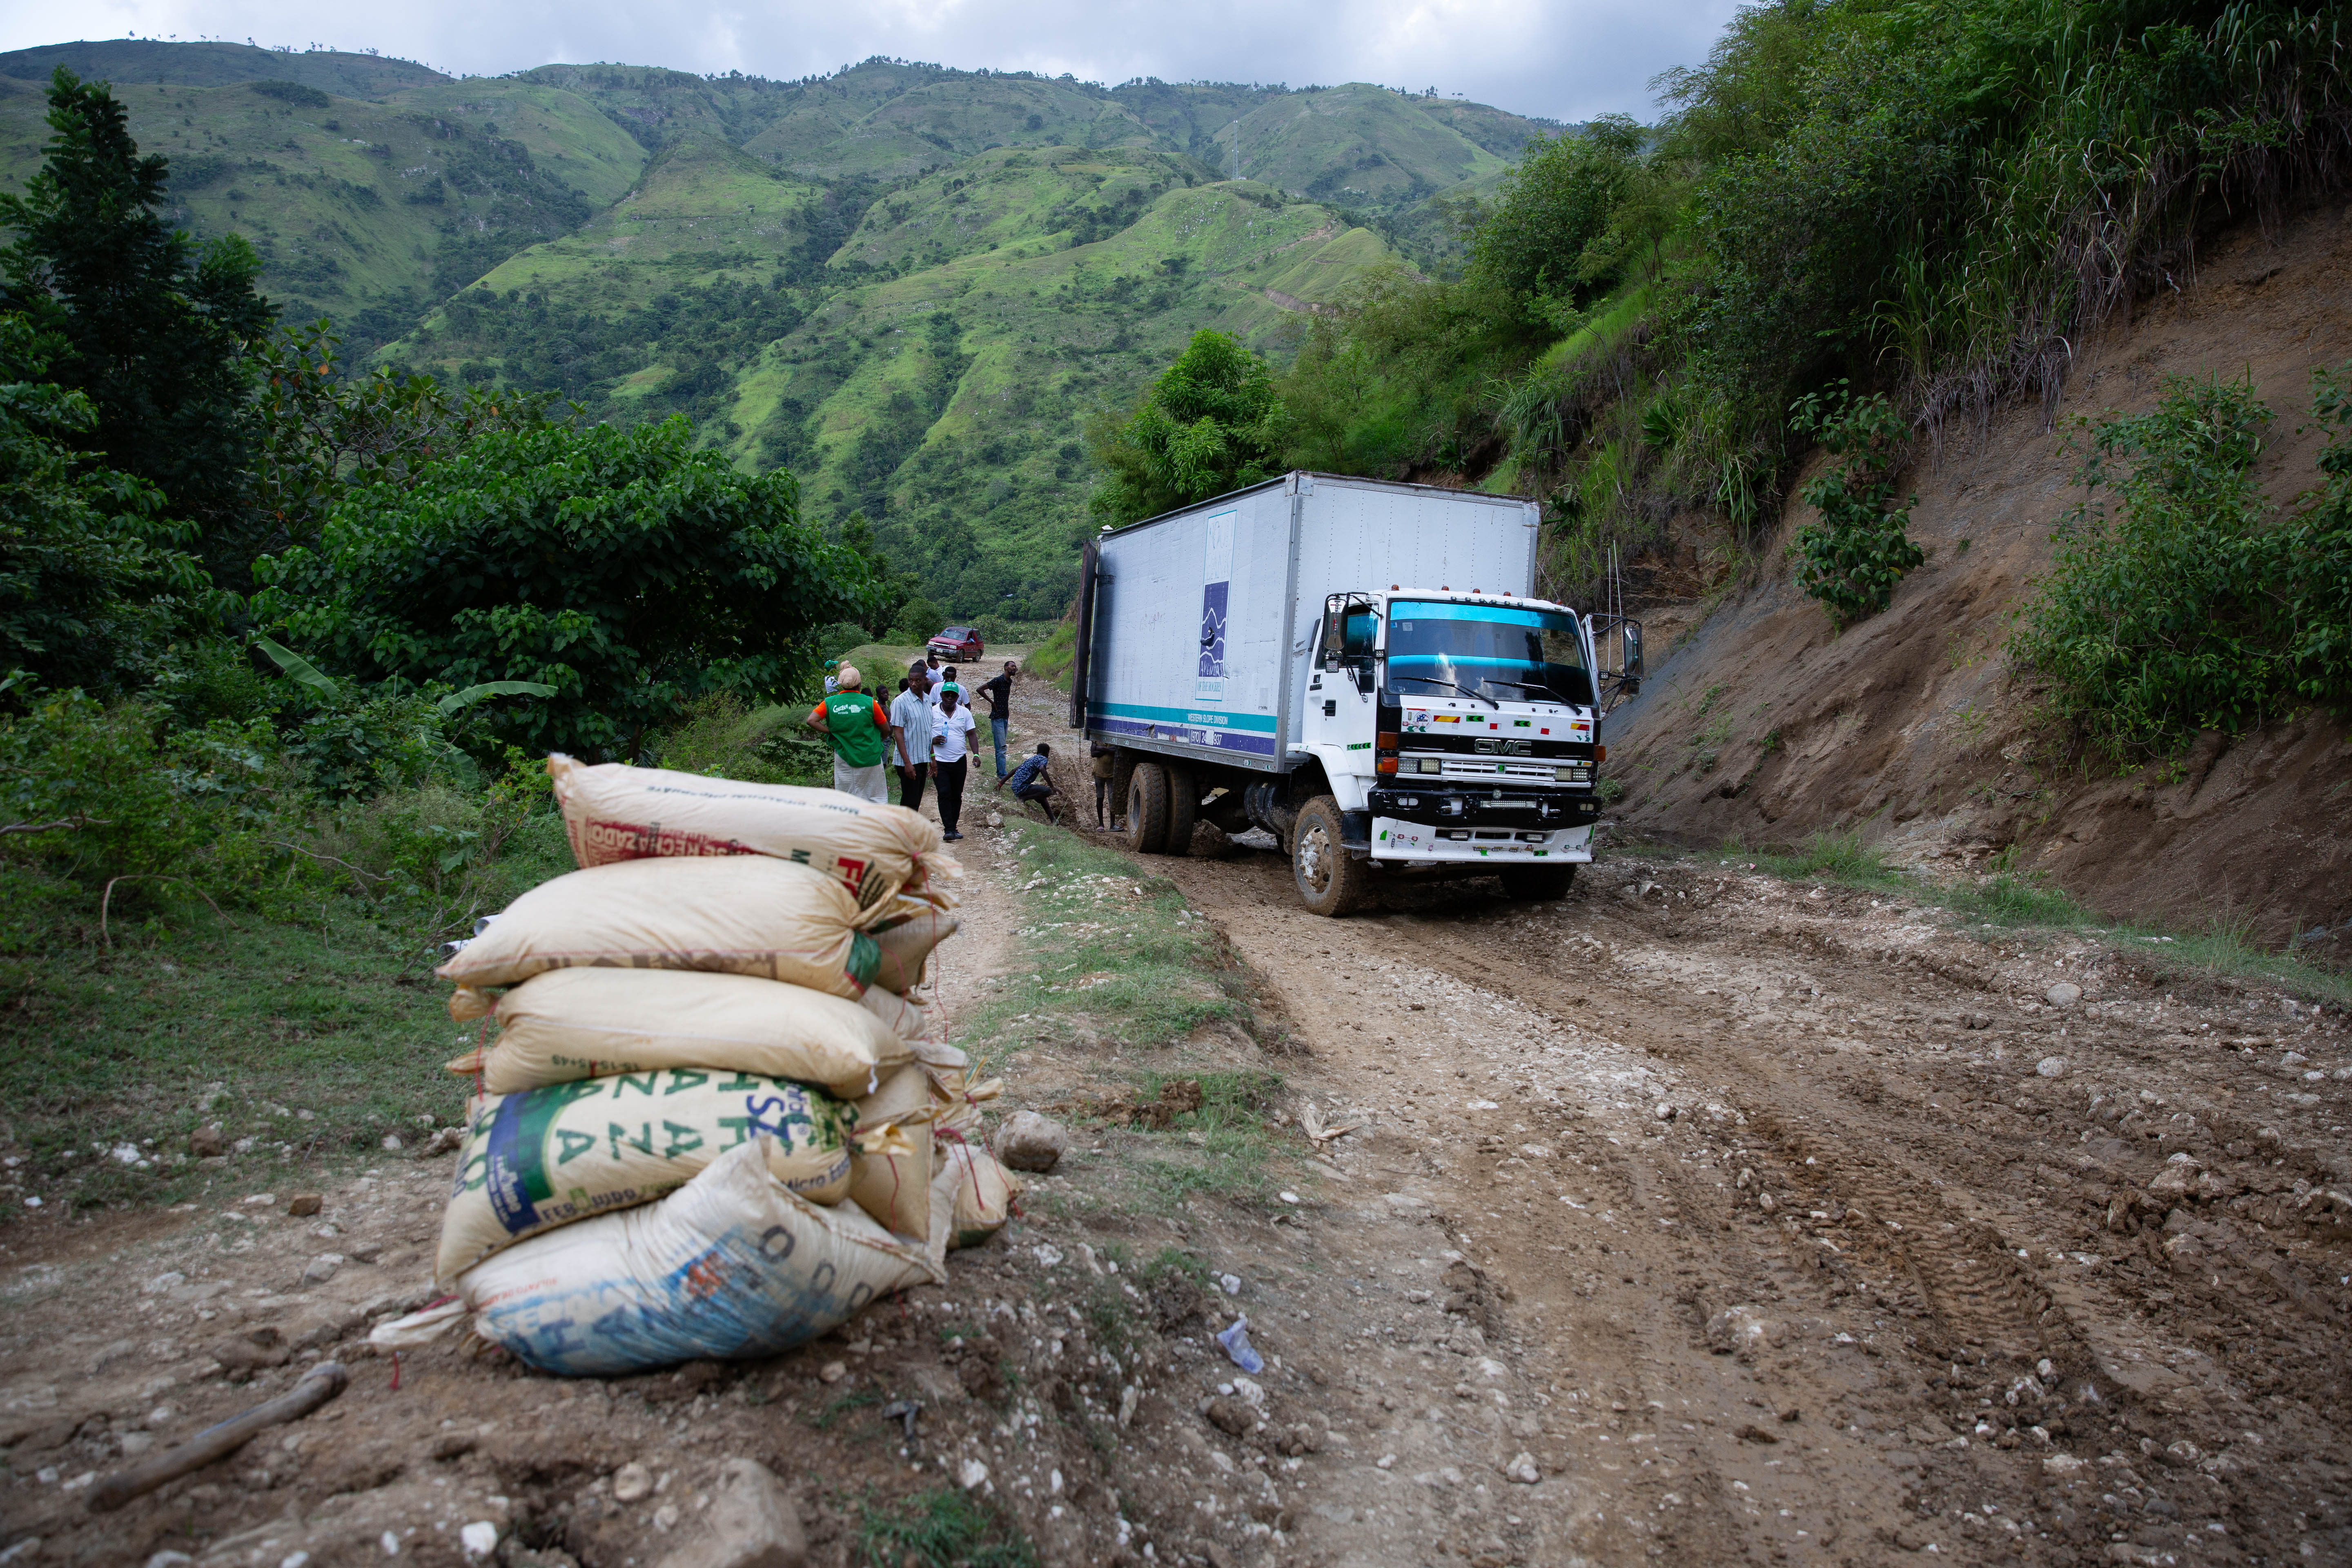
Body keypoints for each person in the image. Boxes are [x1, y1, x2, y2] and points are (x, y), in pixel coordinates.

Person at [804, 664, 890, 802]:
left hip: (844, 758)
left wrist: (831, 732)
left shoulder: (829, 703)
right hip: (871, 757)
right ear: (859, 684)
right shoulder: (870, 703)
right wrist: (880, 740)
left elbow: (811, 721)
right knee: (875, 797)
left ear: (841, 684)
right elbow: (886, 729)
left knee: (847, 796)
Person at [930, 687, 978, 842]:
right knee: (944, 793)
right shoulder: (932, 712)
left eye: (953, 695)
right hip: (939, 760)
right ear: (941, 696)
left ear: (958, 697)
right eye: (947, 695)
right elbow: (923, 734)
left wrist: (976, 754)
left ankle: (954, 827)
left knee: (957, 794)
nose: (950, 698)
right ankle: (948, 829)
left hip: (959, 760)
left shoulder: (964, 713)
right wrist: (933, 741)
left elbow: (971, 734)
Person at [889, 662, 936, 814]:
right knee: (909, 801)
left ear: (925, 681)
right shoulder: (900, 702)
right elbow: (898, 734)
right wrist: (907, 763)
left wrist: (933, 758)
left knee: (916, 801)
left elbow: (927, 732)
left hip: (922, 759)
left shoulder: (928, 701)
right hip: (908, 761)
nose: (913, 684)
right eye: (911, 680)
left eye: (918, 681)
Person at [977, 660, 1018, 780]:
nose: (1014, 668)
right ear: (1006, 668)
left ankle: (1001, 772)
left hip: (1005, 717)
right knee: (1001, 749)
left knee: (1002, 748)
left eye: (1015, 667)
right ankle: (1002, 775)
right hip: (998, 718)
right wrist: (992, 702)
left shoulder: (1009, 681)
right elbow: (980, 689)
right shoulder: (998, 680)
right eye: (1012, 666)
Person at [1002, 742, 1058, 825]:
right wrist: (1052, 787)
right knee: (1048, 791)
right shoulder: (1043, 759)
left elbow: (1014, 770)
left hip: (1016, 787)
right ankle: (1023, 798)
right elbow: (1042, 768)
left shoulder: (1031, 759)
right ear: (1047, 753)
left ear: (1037, 752)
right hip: (1022, 788)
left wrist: (1000, 784)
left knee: (1042, 796)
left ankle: (1053, 820)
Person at [1090, 740, 1116, 829]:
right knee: (1100, 798)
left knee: (1112, 799)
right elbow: (1093, 753)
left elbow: (1116, 751)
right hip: (1099, 774)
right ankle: (1101, 824)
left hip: (1111, 775)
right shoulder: (1097, 739)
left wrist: (1101, 749)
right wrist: (1108, 750)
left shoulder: (1114, 739)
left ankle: (1112, 825)